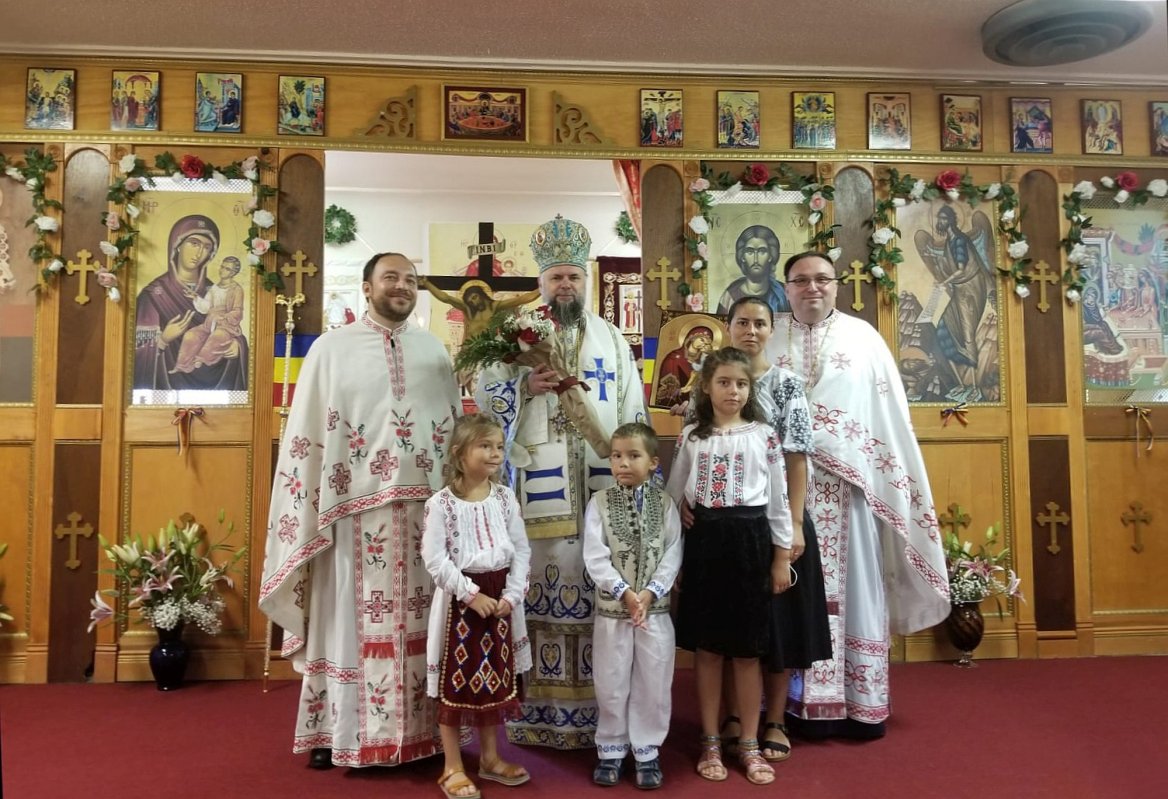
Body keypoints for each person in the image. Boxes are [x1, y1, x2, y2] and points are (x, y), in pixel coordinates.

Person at [259, 252, 463, 769]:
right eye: (390, 277)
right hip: (351, 516)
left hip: (423, 516)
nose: (401, 286)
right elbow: (307, 433)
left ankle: (424, 736)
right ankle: (335, 733)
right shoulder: (330, 350)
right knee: (346, 621)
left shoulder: (434, 350)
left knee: (426, 624)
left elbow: (453, 429)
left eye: (410, 279)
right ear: (367, 287)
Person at [475, 215, 648, 750]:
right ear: (542, 282)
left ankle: (605, 720)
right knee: (539, 598)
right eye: (556, 277)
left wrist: (637, 478)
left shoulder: (612, 339)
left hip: (601, 487)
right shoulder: (513, 338)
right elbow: (485, 405)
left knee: (602, 600)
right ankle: (540, 718)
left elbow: (632, 410)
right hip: (539, 489)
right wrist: (523, 386)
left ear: (585, 280)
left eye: (574, 276)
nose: (565, 285)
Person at [772, 251, 949, 740]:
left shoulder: (864, 337)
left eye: (822, 279)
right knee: (788, 592)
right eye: (801, 280)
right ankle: (788, 708)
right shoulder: (769, 336)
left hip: (849, 490)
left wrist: (829, 443)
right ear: (786, 287)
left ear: (836, 285)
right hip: (783, 489)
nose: (812, 287)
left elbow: (887, 418)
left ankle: (858, 703)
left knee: (856, 591)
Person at [694, 296, 831, 764]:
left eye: (759, 323)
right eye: (741, 322)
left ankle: (774, 719)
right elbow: (694, 449)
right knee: (730, 626)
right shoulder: (710, 379)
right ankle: (733, 716)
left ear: (773, 329)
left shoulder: (786, 384)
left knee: (777, 626)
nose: (750, 331)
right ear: (728, 326)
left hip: (776, 518)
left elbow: (796, 458)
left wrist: (793, 524)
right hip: (722, 525)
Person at [665, 347, 792, 786]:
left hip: (751, 543)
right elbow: (673, 495)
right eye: (723, 382)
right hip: (705, 543)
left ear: (750, 389)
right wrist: (677, 541)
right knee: (708, 649)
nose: (732, 391)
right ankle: (711, 740)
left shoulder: (765, 436)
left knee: (748, 650)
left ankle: (750, 743)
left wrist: (780, 557)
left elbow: (778, 499)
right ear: (706, 387)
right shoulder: (692, 437)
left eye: (741, 383)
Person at [422, 414, 533, 799]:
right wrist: (470, 594)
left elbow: (521, 549)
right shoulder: (441, 504)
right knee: (455, 683)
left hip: (500, 601)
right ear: (459, 453)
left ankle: (490, 758)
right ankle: (453, 766)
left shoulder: (504, 498)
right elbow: (435, 560)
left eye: (499, 446)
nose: (495, 453)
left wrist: (512, 595)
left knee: (495, 681)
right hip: (461, 605)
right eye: (485, 446)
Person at [582, 422, 681, 790]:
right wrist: (623, 591)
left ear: (653, 461)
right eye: (616, 456)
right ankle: (611, 748)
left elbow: (673, 551)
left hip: (654, 612)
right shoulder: (599, 503)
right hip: (614, 613)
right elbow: (595, 556)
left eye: (633, 455)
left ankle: (647, 749)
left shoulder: (665, 503)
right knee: (611, 680)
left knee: (654, 680)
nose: (623, 463)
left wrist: (651, 592)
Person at [134, 214, 249, 392]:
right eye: (194, 243)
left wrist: (238, 346)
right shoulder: (154, 295)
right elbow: (136, 352)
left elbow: (234, 325)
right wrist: (163, 339)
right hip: (164, 392)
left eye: (207, 247)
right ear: (177, 245)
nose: (199, 252)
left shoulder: (215, 289)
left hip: (216, 391)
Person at [171, 256, 244, 375]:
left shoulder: (236, 289)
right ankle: (182, 365)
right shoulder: (215, 288)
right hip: (209, 323)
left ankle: (199, 360)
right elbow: (206, 307)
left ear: (233, 273)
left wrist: (224, 317)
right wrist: (195, 297)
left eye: (227, 269)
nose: (222, 270)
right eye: (222, 267)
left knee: (217, 336)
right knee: (190, 335)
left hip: (226, 325)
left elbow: (238, 311)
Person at [421, 277, 542, 340]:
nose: (473, 302)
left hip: (488, 350)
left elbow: (523, 299)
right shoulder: (467, 309)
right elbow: (445, 298)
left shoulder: (495, 306)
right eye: (470, 301)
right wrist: (427, 284)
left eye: (474, 297)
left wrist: (543, 287)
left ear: (482, 295)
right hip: (469, 350)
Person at [716, 225, 791, 315]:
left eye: (762, 251)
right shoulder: (730, 296)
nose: (756, 259)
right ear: (742, 257)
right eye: (750, 252)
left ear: (770, 256)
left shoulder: (783, 293)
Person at [653, 325, 713, 406]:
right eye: (702, 340)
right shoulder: (673, 358)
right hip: (676, 405)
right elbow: (667, 390)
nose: (704, 344)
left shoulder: (704, 360)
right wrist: (683, 390)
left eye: (707, 342)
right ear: (692, 337)